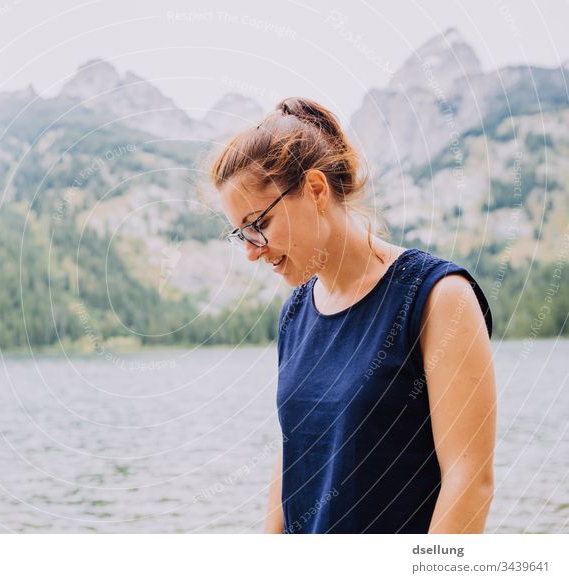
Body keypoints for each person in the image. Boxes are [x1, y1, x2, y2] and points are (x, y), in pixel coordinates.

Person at [209, 97, 497, 534]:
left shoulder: (439, 297)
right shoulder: (296, 313)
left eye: (258, 224)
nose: (251, 251)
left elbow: (469, 482)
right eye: (240, 234)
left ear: (316, 190)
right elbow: (293, 456)